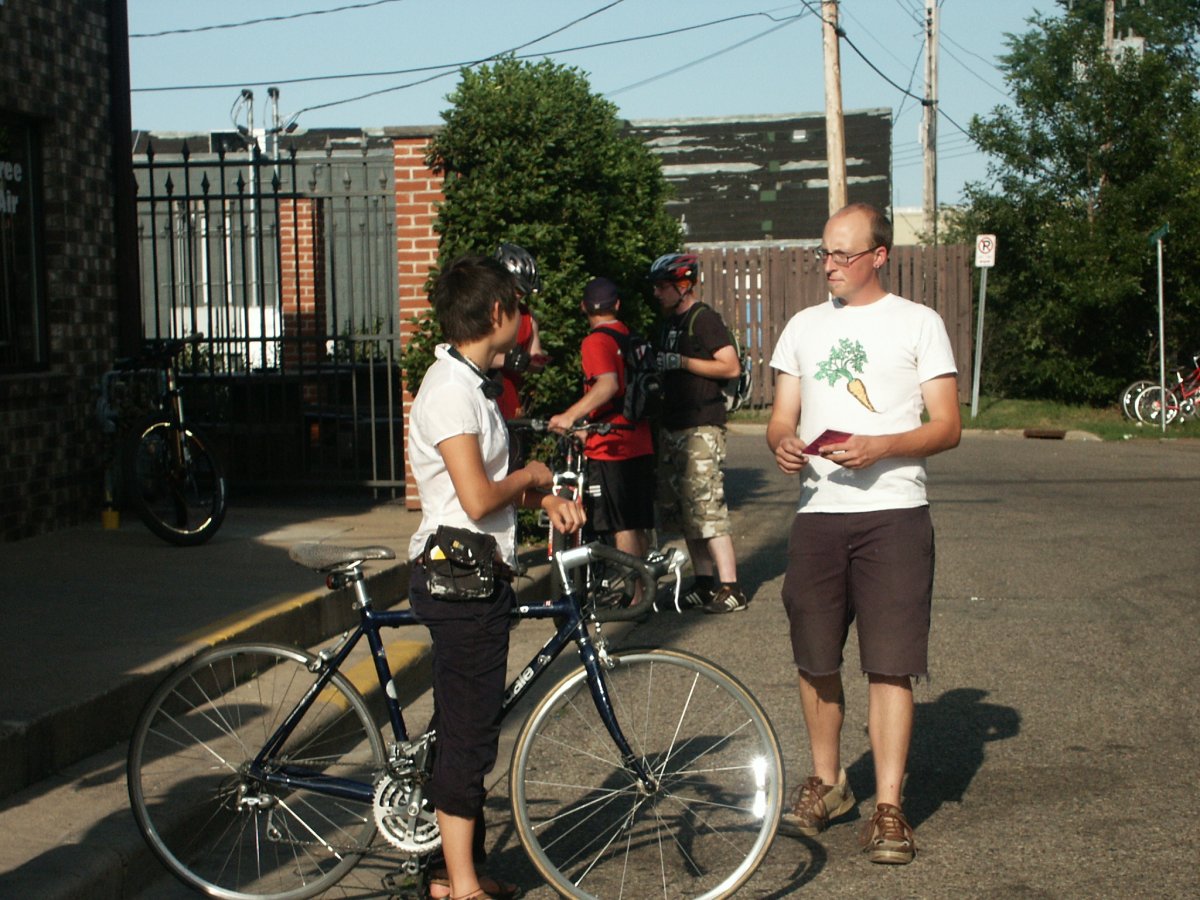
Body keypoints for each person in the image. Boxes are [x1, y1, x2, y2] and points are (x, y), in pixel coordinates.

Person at [765, 202, 961, 865]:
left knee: (890, 659)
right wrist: (782, 442)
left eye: (843, 254)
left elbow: (947, 426)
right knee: (815, 655)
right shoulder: (802, 327)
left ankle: (888, 806)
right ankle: (828, 781)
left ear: (879, 255)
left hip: (895, 512)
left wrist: (882, 446)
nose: (830, 266)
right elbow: (781, 417)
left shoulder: (919, 323)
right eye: (824, 252)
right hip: (818, 513)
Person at [406, 255, 585, 900]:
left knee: (467, 727)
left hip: (475, 574)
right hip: (458, 582)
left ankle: (455, 874)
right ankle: (460, 886)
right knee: (469, 736)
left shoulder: (471, 383)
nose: (524, 318)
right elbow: (479, 498)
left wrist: (545, 499)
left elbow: (483, 491)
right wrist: (533, 475)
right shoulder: (449, 392)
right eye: (518, 305)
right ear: (496, 313)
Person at [649, 252, 747, 613]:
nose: (657, 293)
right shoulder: (667, 324)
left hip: (702, 424)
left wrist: (683, 362)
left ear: (683, 285)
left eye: (663, 286)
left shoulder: (703, 319)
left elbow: (731, 366)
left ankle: (731, 586)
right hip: (673, 424)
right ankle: (704, 583)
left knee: (707, 507)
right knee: (684, 510)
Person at [548, 277, 656, 605]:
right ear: (617, 305)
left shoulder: (596, 341)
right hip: (639, 439)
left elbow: (607, 385)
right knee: (636, 522)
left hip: (611, 447)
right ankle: (646, 591)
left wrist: (569, 416)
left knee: (621, 525)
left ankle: (635, 598)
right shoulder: (629, 336)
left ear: (584, 307)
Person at [491, 242, 548, 427]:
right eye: (516, 289)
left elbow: (535, 357)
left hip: (510, 402)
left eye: (523, 292)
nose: (519, 295)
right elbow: (468, 353)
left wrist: (532, 362)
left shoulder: (527, 317)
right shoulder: (483, 311)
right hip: (484, 396)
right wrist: (505, 359)